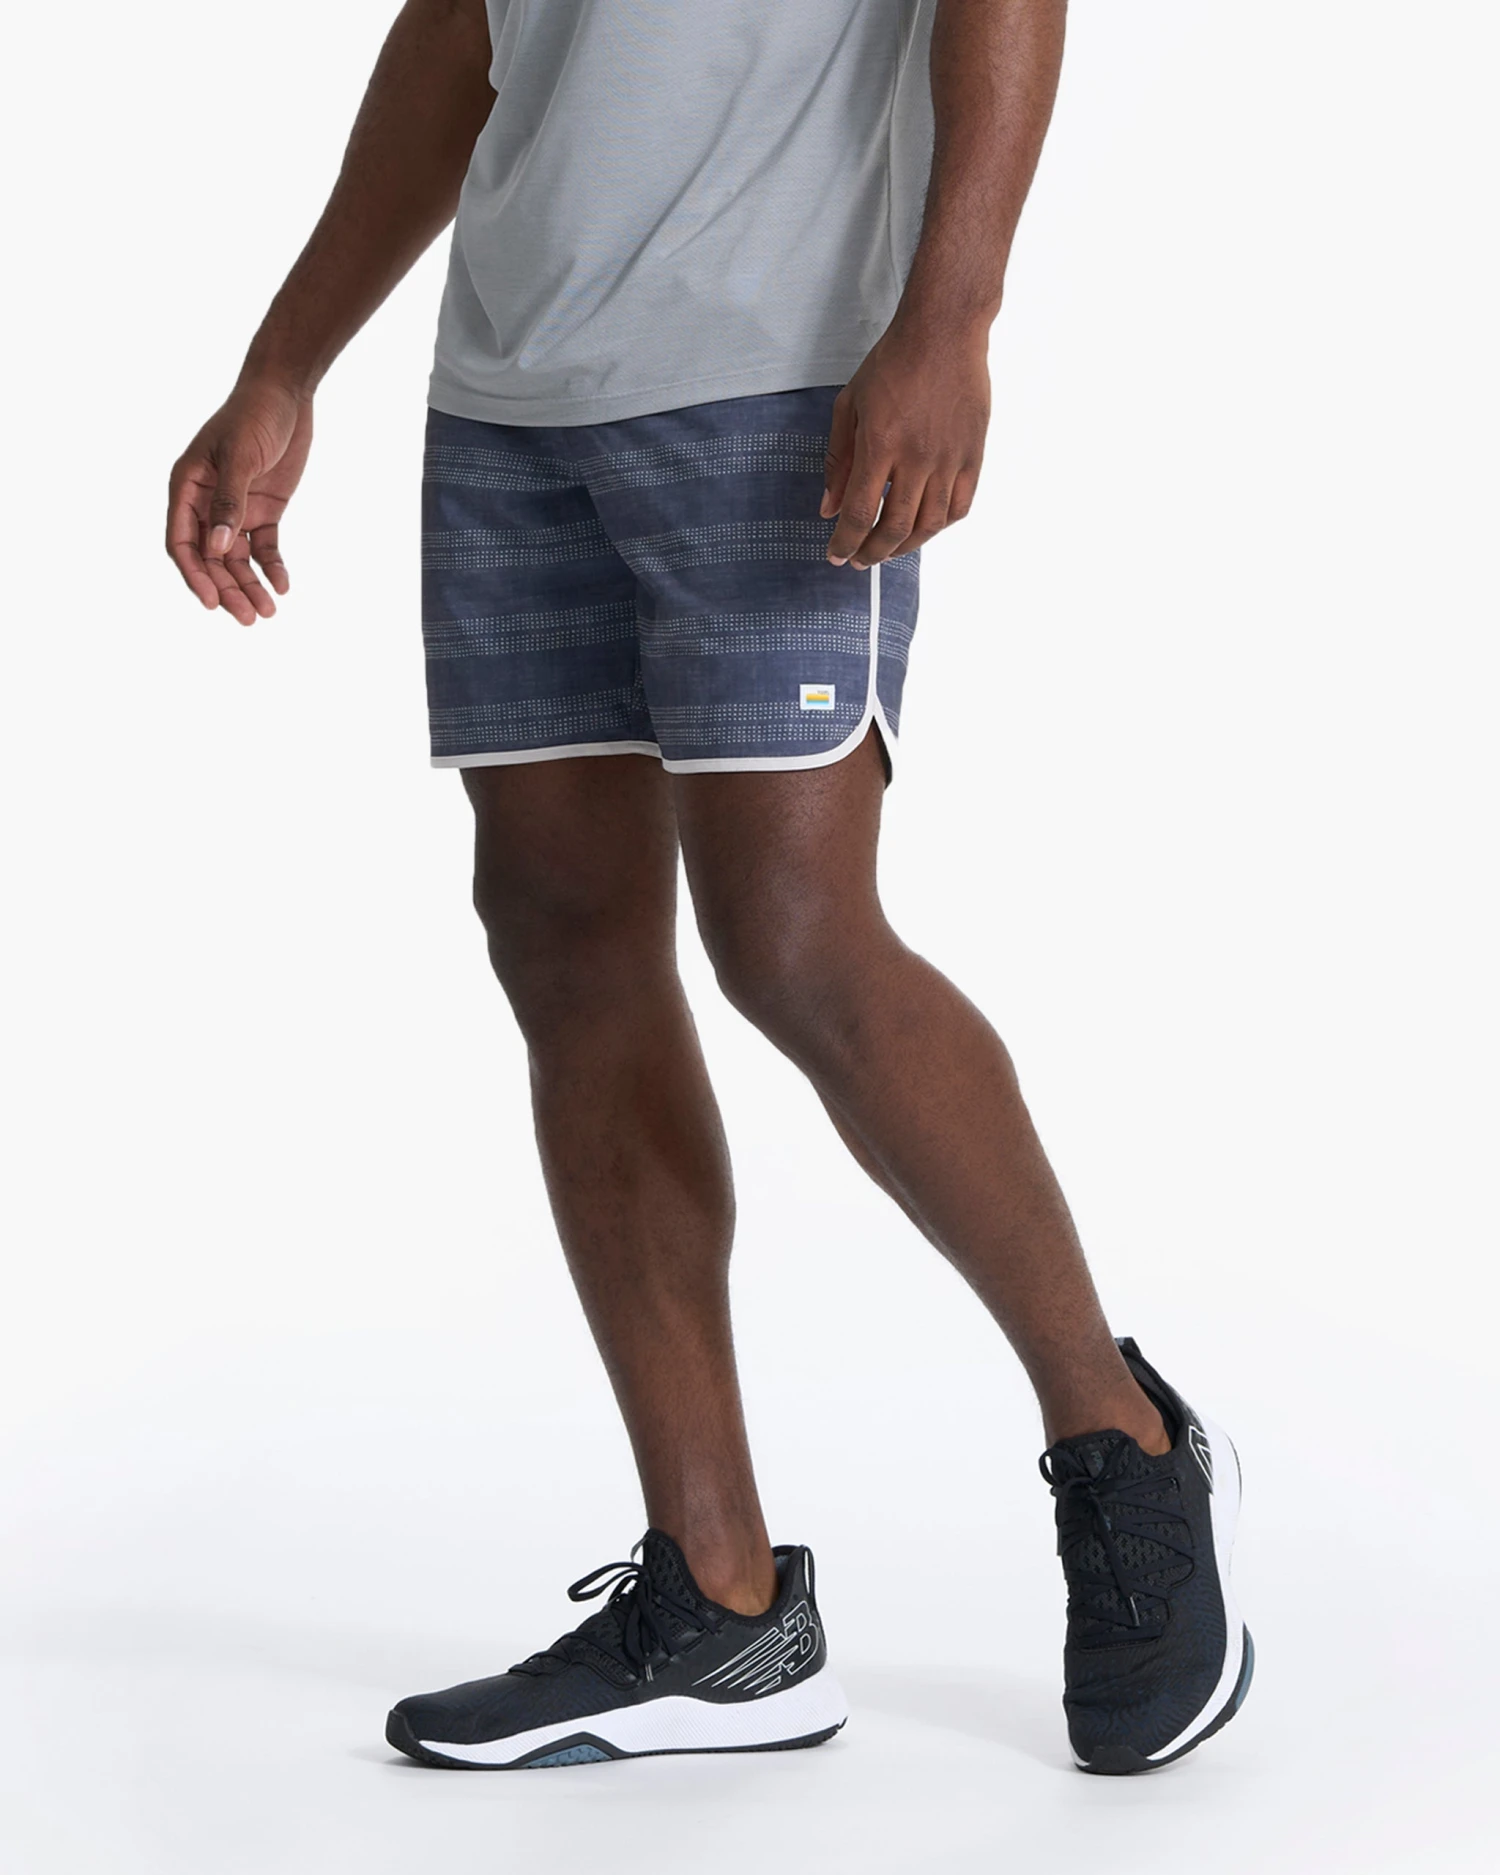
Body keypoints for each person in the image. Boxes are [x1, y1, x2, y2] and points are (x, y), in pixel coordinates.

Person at [166, 0, 1252, 1776]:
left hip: (781, 369)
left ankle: (1121, 1440)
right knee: (561, 940)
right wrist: (288, 361)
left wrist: (953, 316)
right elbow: (463, 30)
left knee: (794, 940)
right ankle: (722, 1602)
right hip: (511, 392)